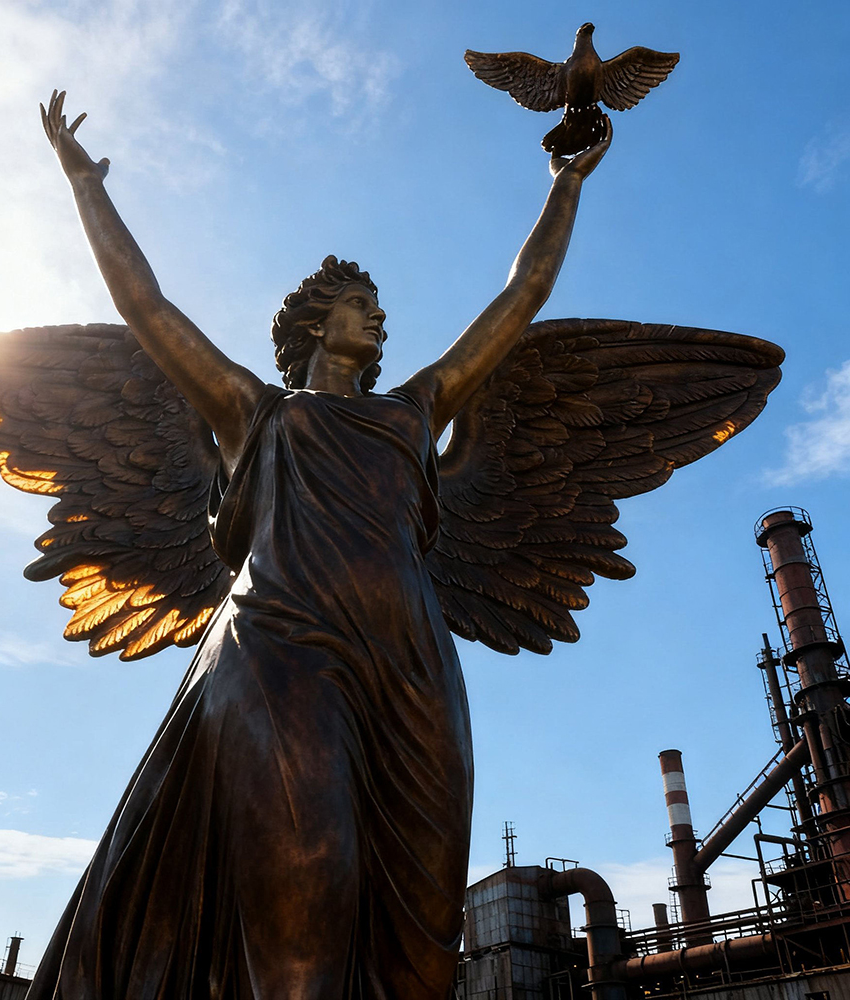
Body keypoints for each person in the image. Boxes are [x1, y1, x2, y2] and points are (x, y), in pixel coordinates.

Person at [30, 90, 611, 1000]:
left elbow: (522, 296)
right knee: (306, 920)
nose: (376, 318)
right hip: (283, 652)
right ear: (313, 325)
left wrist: (565, 185)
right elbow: (146, 306)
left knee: (418, 961)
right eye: (357, 304)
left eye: (376, 306)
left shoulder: (415, 410)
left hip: (415, 670)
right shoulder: (253, 411)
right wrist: (84, 184)